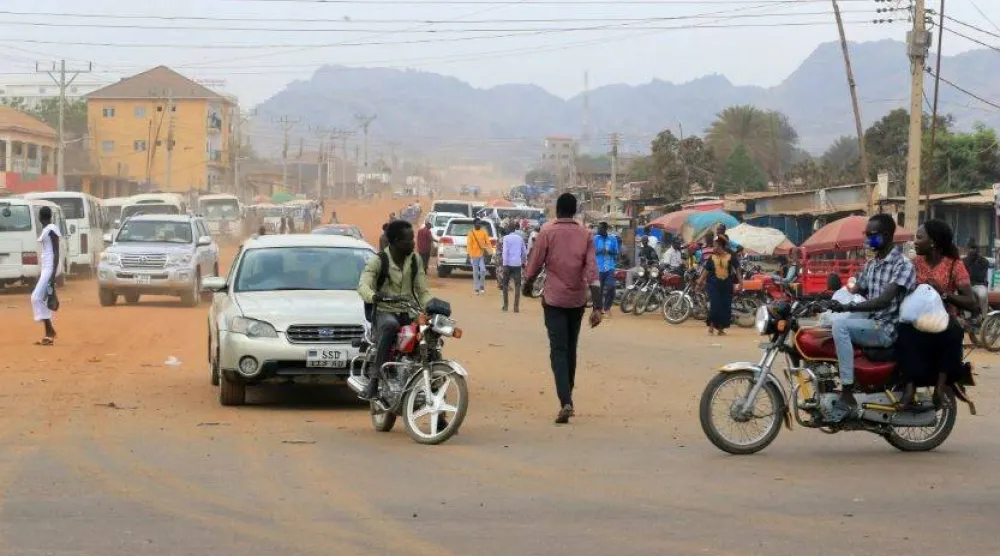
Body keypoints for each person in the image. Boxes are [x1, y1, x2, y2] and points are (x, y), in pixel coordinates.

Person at [523, 193, 601, 424]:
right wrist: (597, 306)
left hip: (554, 300)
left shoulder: (547, 231)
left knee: (558, 350)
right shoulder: (585, 234)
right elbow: (592, 271)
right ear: (575, 211)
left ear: (557, 210)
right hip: (577, 301)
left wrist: (527, 284)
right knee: (571, 348)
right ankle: (568, 394)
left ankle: (565, 401)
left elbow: (535, 263)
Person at [829, 213, 916, 419]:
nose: (868, 239)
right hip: (871, 321)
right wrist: (825, 298)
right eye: (866, 235)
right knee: (828, 324)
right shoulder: (872, 264)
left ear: (886, 235)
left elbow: (883, 301)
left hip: (885, 328)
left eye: (872, 235)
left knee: (840, 326)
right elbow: (857, 288)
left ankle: (848, 391)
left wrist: (846, 307)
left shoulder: (902, 265)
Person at [896, 220, 978, 409]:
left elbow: (971, 302)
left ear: (933, 242)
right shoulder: (914, 264)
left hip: (943, 320)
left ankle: (940, 388)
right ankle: (909, 388)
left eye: (919, 237)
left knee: (954, 332)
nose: (915, 242)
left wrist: (944, 293)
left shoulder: (954, 266)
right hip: (917, 319)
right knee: (902, 332)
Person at [356, 220, 433, 401]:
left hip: (409, 312)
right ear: (397, 241)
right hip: (385, 310)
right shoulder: (379, 260)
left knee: (430, 334)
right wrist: (374, 296)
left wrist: (431, 306)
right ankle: (374, 382)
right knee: (390, 326)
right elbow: (363, 285)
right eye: (409, 240)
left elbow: (423, 291)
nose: (413, 243)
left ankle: (433, 383)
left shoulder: (415, 260)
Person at [698, 236, 740, 336]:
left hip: (727, 285)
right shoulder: (712, 258)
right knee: (715, 306)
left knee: (725, 307)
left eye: (715, 245)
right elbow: (706, 271)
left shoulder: (730, 256)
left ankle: (721, 329)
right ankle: (711, 328)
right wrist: (700, 281)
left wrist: (741, 282)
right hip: (713, 284)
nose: (713, 248)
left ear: (720, 246)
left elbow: (737, 268)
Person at [32, 206, 61, 346]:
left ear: (40, 217)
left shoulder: (51, 229)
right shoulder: (46, 230)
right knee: (41, 298)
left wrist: (52, 275)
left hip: (50, 268)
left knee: (36, 297)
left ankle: (50, 331)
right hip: (46, 268)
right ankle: (49, 332)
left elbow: (56, 252)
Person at [594, 222, 620, 315]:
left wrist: (608, 251)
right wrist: (599, 250)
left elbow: (616, 252)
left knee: (611, 287)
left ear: (605, 229)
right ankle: (599, 308)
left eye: (600, 228)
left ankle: (607, 307)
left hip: (610, 267)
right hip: (599, 268)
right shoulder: (596, 238)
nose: (598, 230)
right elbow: (591, 251)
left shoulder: (613, 238)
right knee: (598, 289)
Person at [500, 223, 527, 312]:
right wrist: (523, 262)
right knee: (517, 285)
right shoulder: (520, 238)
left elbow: (505, 252)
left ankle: (506, 306)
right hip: (517, 264)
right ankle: (516, 307)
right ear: (515, 229)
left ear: (508, 230)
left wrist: (504, 264)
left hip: (507, 264)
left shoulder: (506, 238)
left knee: (505, 285)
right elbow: (524, 252)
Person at [964, 239, 990, 318]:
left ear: (977, 251)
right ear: (968, 250)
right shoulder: (963, 261)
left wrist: (974, 263)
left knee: (982, 294)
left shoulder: (984, 261)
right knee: (961, 294)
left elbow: (980, 277)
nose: (972, 251)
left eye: (974, 249)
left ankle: (984, 317)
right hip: (966, 285)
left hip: (979, 285)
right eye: (970, 249)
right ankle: (967, 318)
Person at [466, 218, 492, 295]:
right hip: (473, 256)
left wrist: (490, 252)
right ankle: (476, 288)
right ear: (474, 224)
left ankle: (482, 286)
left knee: (483, 270)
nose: (479, 224)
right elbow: (469, 245)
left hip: (481, 255)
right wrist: (470, 255)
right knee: (475, 272)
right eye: (478, 223)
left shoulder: (484, 232)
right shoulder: (471, 233)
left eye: (480, 223)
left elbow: (488, 243)